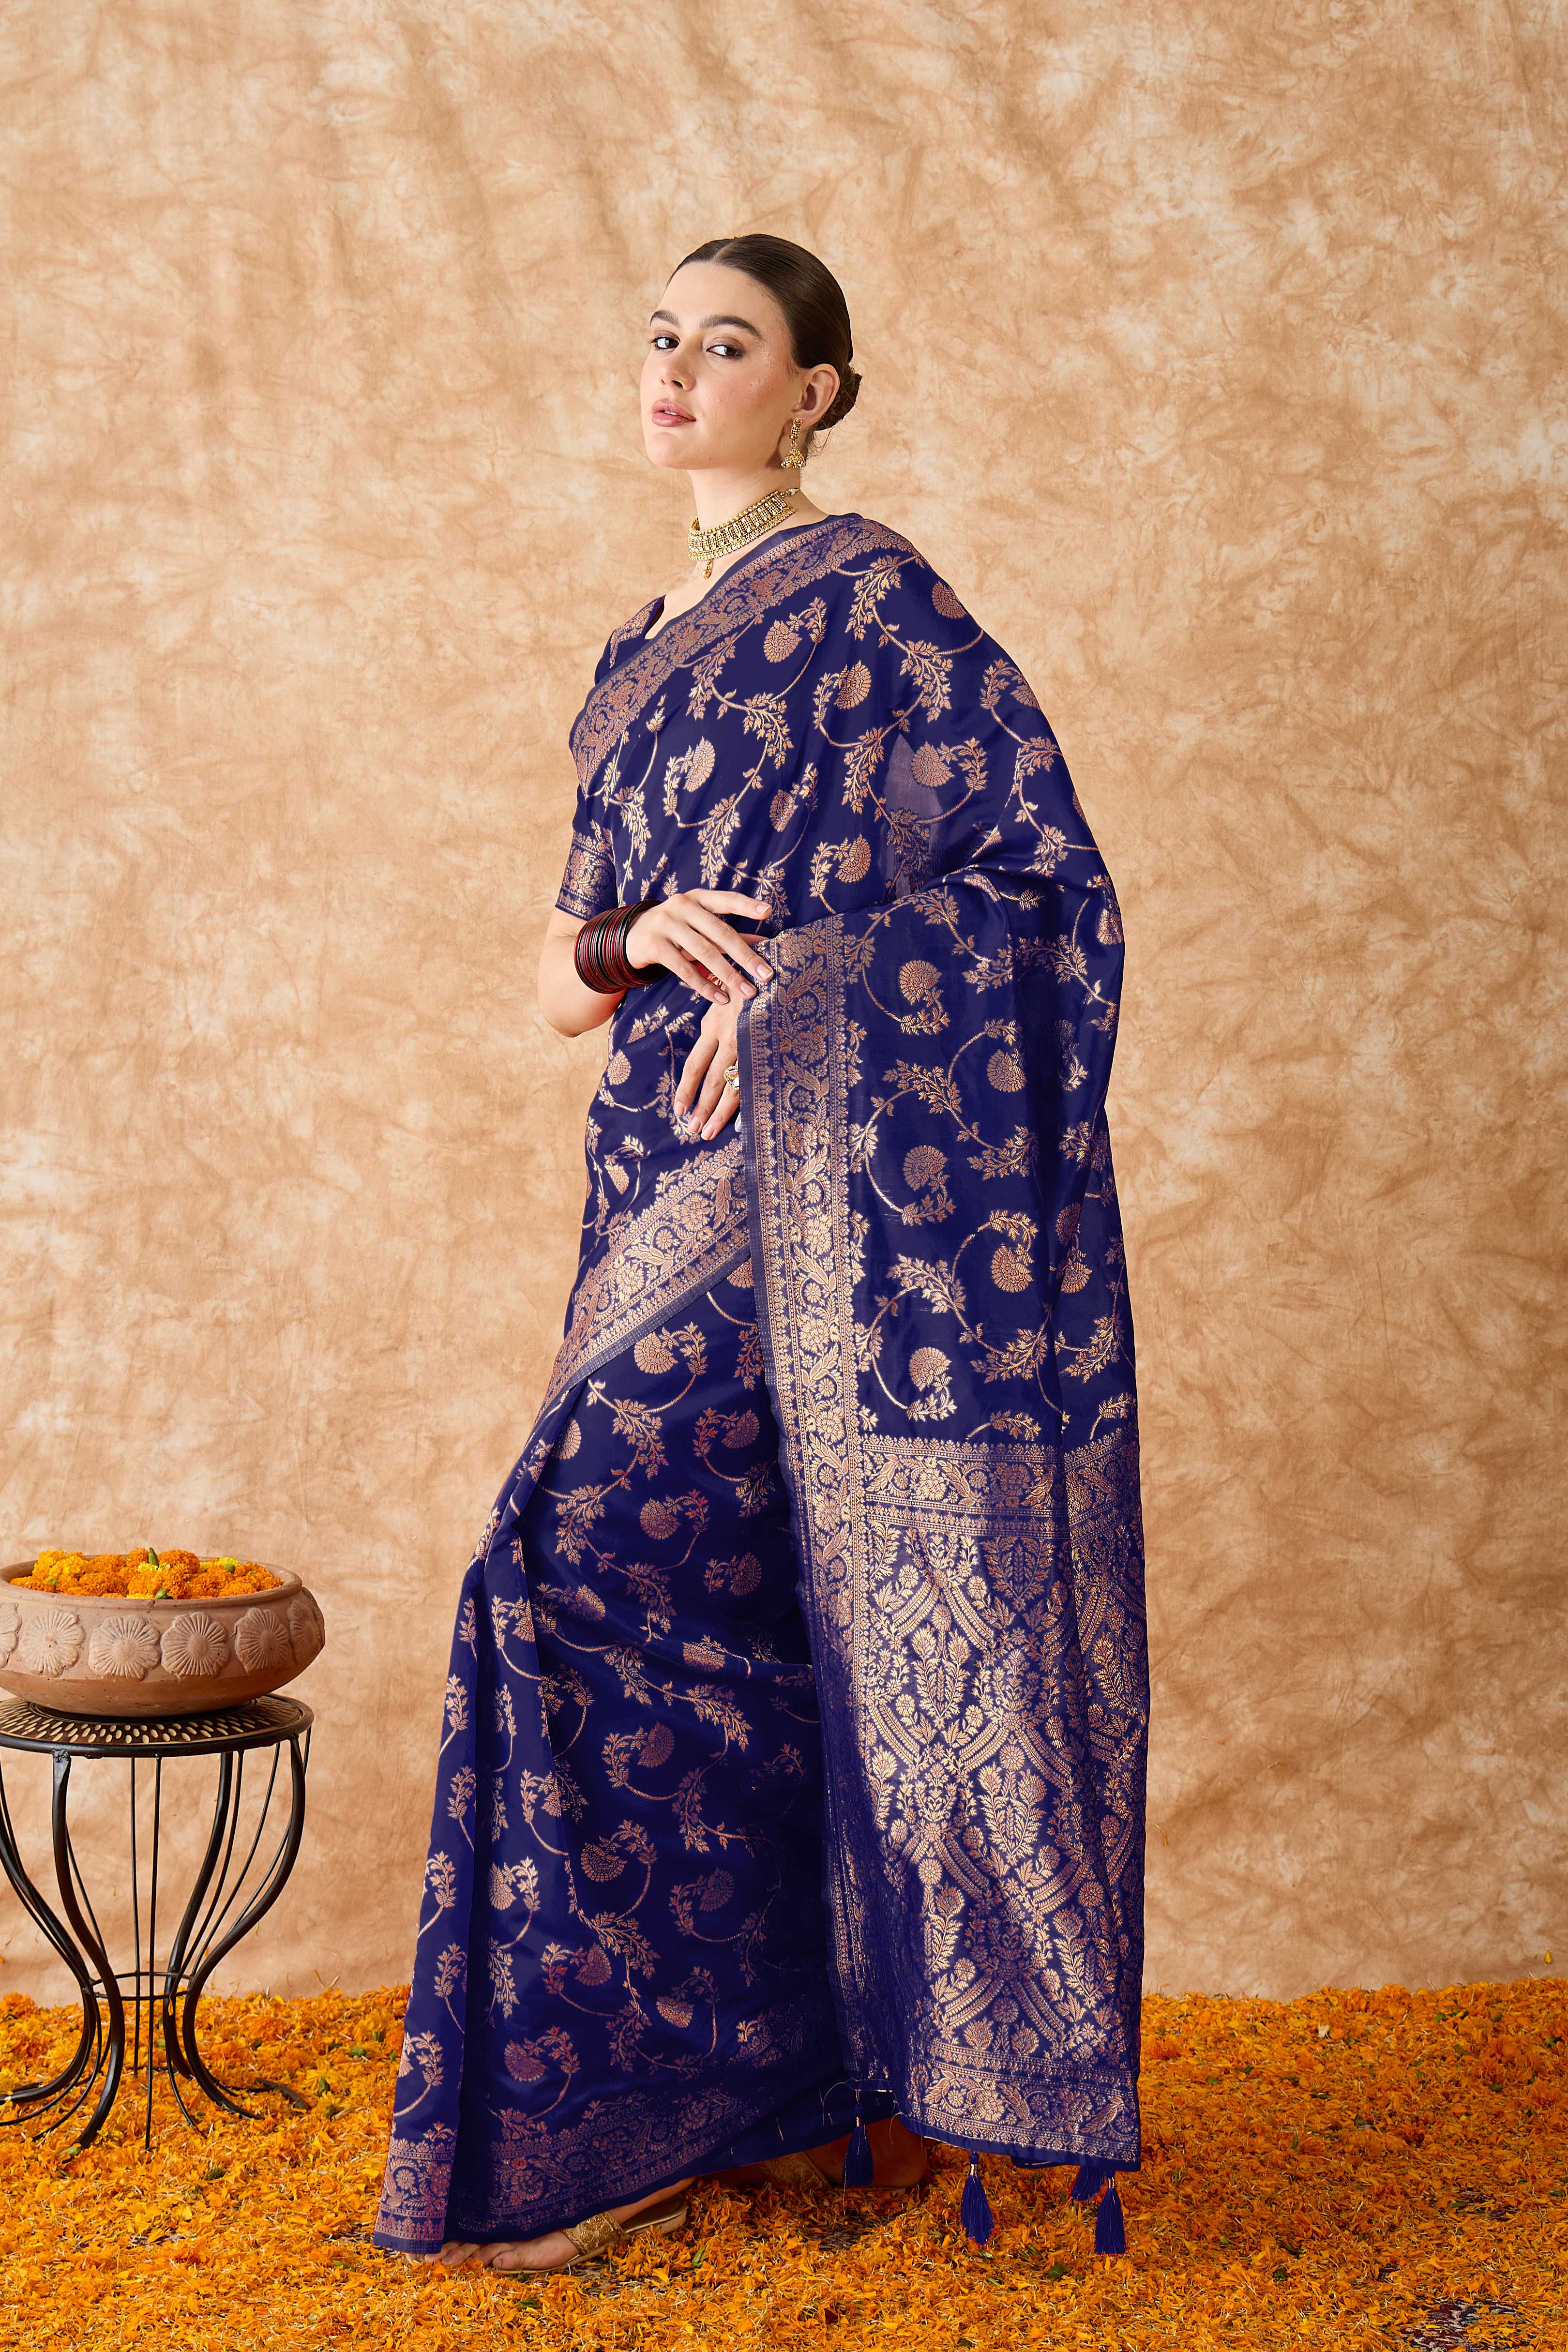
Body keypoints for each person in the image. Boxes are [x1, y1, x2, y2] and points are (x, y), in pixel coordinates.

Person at [374, 232, 1148, 2277]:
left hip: (833, 1177)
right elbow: (559, 986)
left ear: (814, 391)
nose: (677, 369)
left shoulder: (881, 605)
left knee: (576, 1563)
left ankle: (664, 2113)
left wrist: (812, 980)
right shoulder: (636, 653)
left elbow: (1044, 894)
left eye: (727, 344)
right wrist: (633, 935)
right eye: (662, 336)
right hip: (653, 1171)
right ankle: (751, 2090)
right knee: (700, 1604)